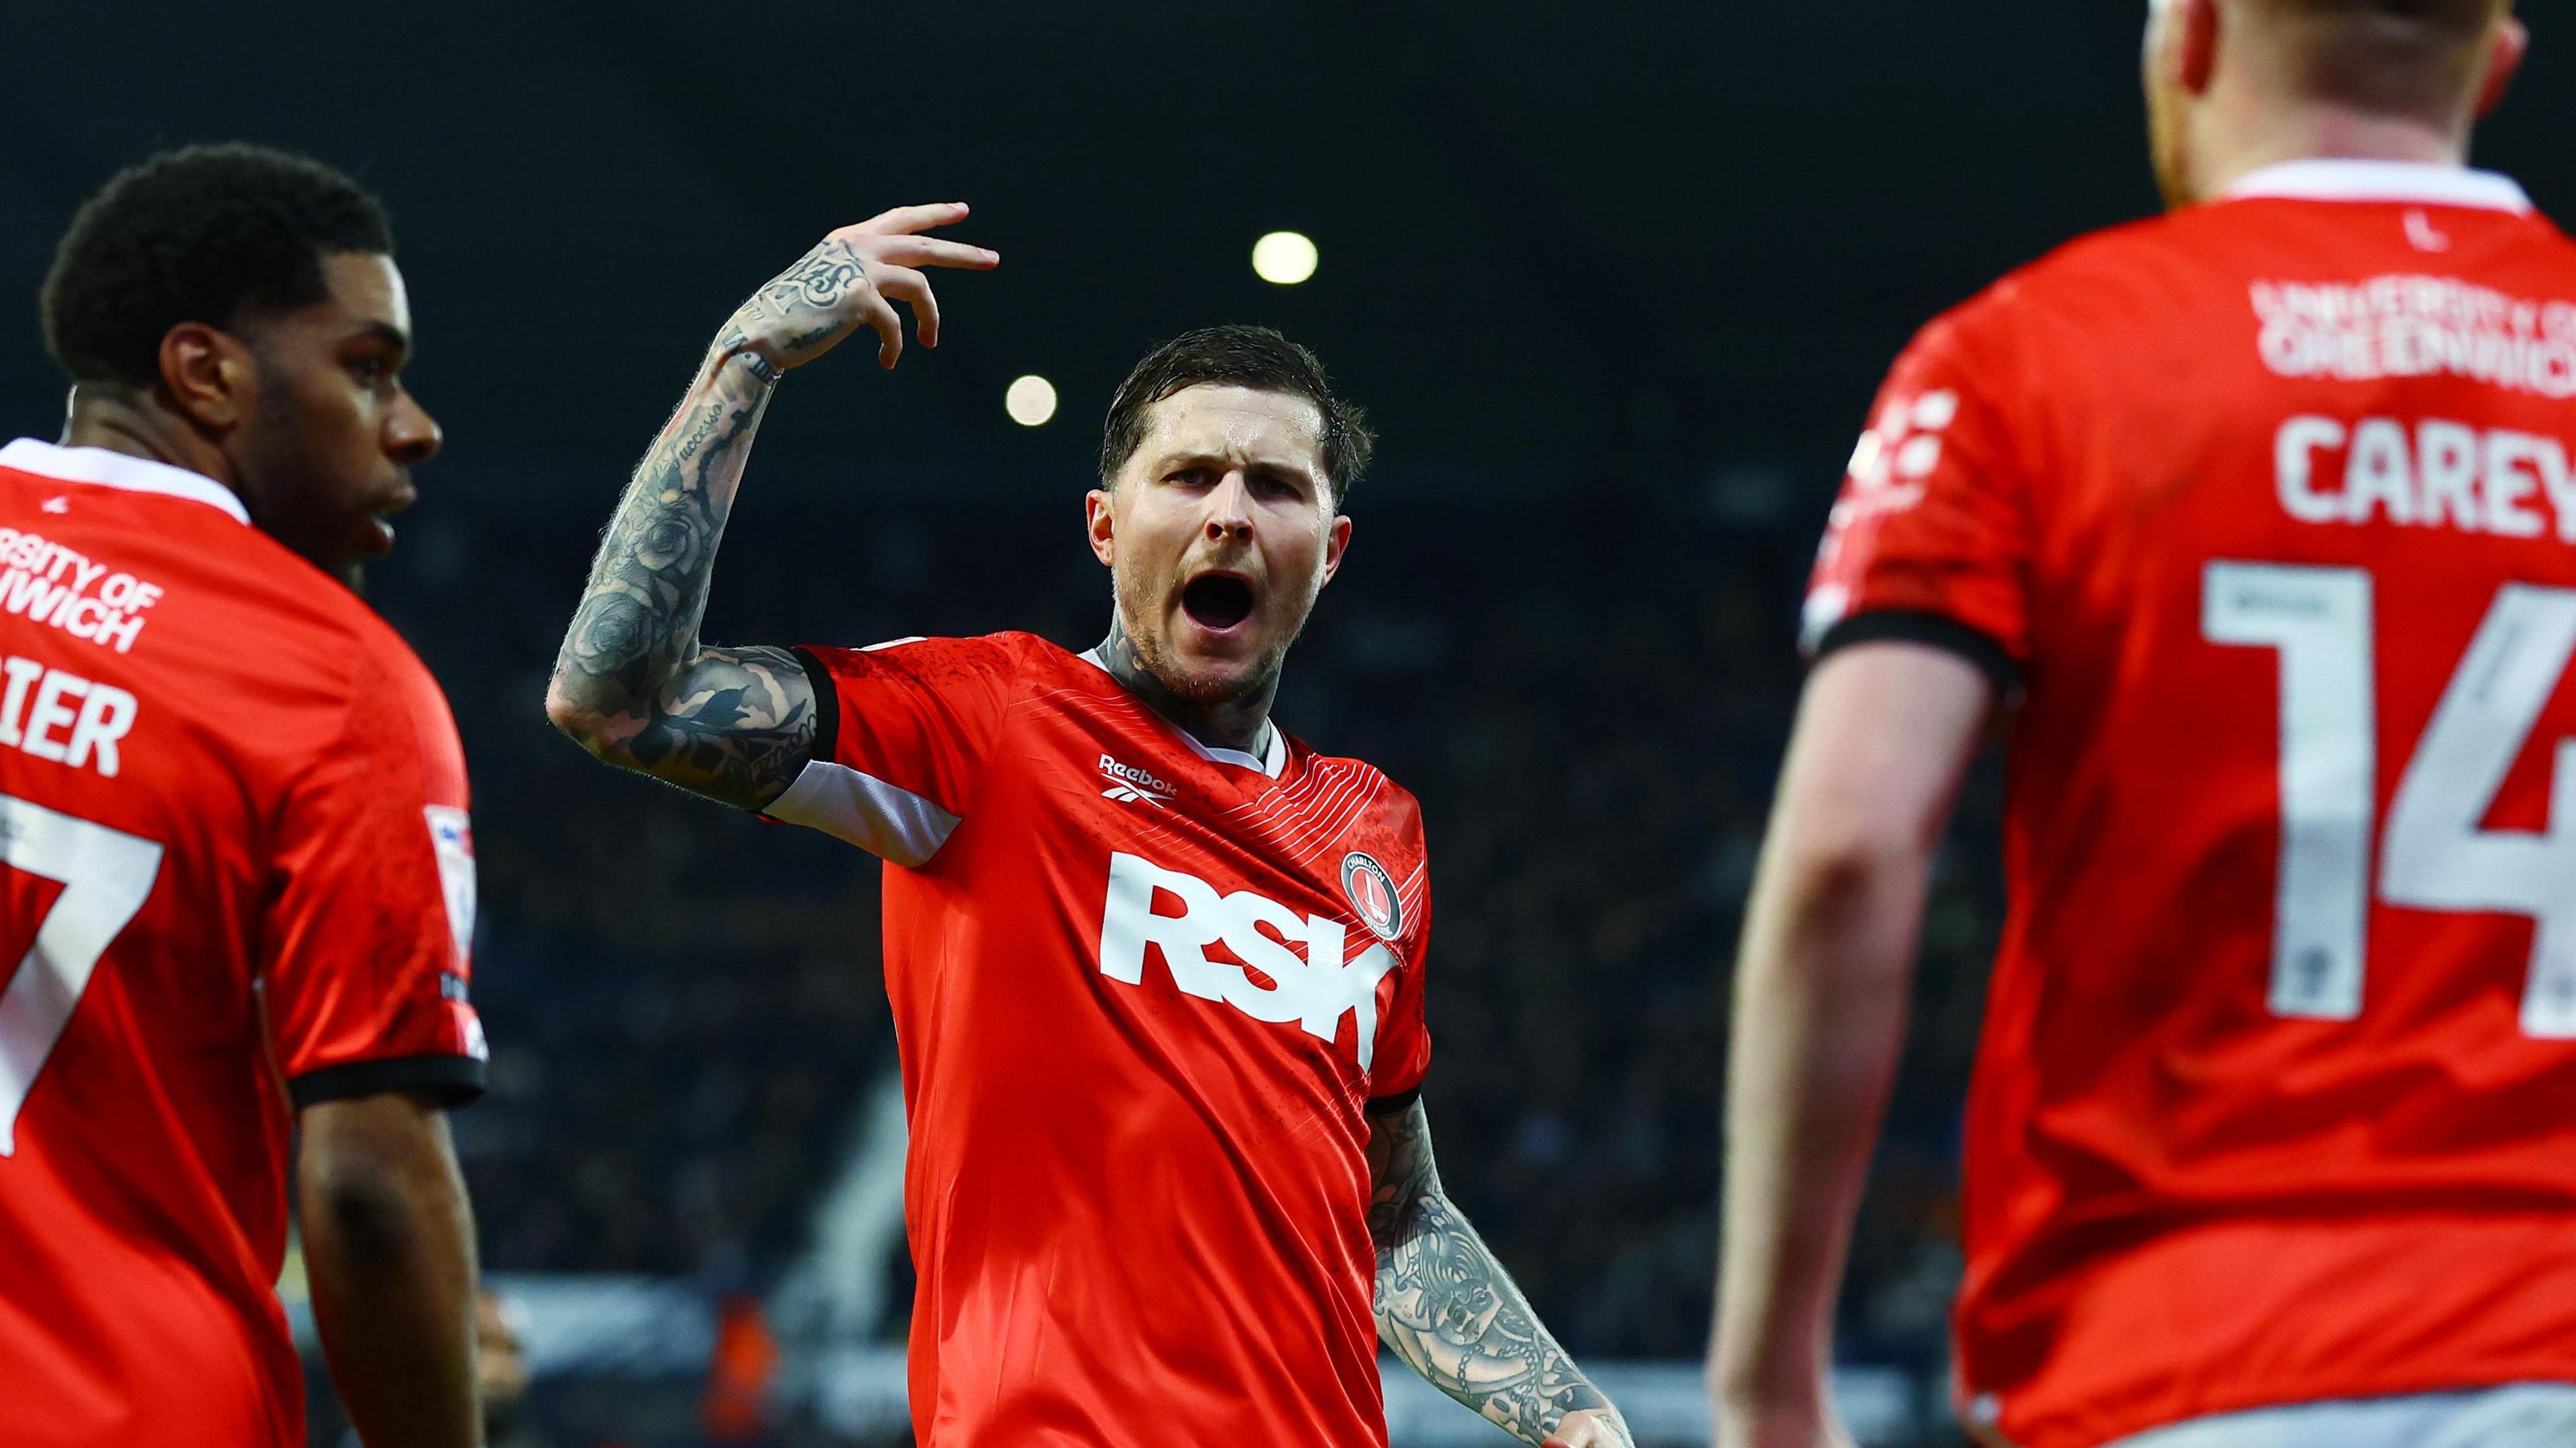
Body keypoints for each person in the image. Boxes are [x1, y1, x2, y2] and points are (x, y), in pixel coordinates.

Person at [544, 205, 1630, 1448]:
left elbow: (1395, 1215)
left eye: (1273, 486)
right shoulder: (990, 721)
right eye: (1188, 476)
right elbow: (619, 701)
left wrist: (1573, 1415)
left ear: (1327, 554)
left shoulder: (1375, 829)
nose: (1229, 512)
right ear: (1108, 528)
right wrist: (745, 357)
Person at [1709, 3, 2576, 1447]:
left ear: (2190, 39)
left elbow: (1851, 852)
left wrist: (1768, 1378)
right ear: (2495, 62)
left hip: (2198, 1353)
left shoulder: (2029, 357)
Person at [0, 145, 486, 1448]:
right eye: (368, 368)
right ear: (205, 373)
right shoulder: (333, 685)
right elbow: (373, 1196)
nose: (414, 425)